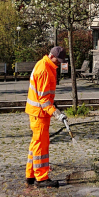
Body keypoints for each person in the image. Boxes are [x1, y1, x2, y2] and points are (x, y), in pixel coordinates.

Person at [25, 46, 67, 188]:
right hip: (39, 113)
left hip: (37, 112)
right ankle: (41, 178)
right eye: (58, 60)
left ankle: (30, 175)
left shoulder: (45, 65)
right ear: (51, 56)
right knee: (41, 146)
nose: (59, 63)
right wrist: (56, 113)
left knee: (35, 144)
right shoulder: (44, 69)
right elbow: (43, 99)